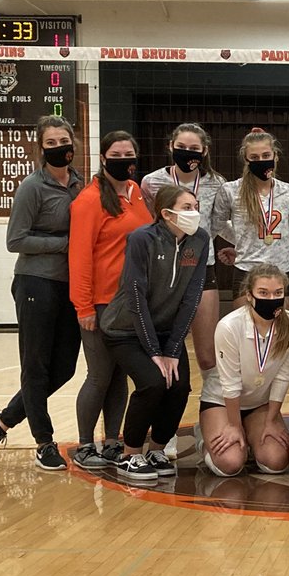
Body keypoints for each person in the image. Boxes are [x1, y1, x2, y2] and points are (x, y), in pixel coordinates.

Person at [0, 115, 84, 472]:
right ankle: (44, 442)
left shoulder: (81, 186)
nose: (59, 148)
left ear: (74, 143)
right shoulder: (32, 187)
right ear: (40, 148)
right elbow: (16, 240)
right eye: (51, 143)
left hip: (71, 286)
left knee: (65, 368)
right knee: (35, 366)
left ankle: (2, 421)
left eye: (63, 141)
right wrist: (65, 245)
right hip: (35, 282)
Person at [99, 184, 209, 481]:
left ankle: (156, 449)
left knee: (180, 385)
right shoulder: (141, 239)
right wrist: (154, 352)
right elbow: (135, 298)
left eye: (196, 205)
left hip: (165, 331)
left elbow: (192, 296)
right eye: (187, 207)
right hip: (125, 329)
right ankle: (129, 454)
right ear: (166, 213)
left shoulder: (200, 239)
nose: (194, 212)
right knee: (152, 383)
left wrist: (172, 350)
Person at [67, 130, 151, 471]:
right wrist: (84, 307)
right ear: (103, 159)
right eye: (116, 154)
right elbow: (80, 257)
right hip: (101, 303)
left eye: (129, 154)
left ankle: (113, 441)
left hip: (132, 302)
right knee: (99, 375)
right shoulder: (88, 200)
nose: (124, 160)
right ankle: (86, 444)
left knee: (119, 376)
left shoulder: (136, 192)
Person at [140, 123, 227, 371]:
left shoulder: (216, 183)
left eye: (194, 148)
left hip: (202, 267)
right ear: (170, 147)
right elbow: (149, 222)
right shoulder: (152, 182)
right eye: (181, 147)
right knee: (163, 347)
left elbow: (216, 223)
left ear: (205, 151)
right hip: (164, 269)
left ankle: (212, 407)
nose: (187, 153)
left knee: (208, 356)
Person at [199, 265, 289, 476]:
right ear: (249, 295)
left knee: (276, 461)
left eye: (277, 293)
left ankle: (253, 433)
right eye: (263, 292)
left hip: (259, 404)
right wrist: (234, 426)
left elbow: (283, 376)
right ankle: (204, 437)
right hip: (221, 402)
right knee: (230, 463)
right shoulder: (229, 326)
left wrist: (271, 420)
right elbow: (230, 383)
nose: (271, 298)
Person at [213, 128, 289, 307]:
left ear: (275, 156)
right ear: (246, 159)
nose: (261, 161)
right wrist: (242, 241)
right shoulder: (231, 190)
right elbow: (218, 224)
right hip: (247, 270)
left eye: (266, 155)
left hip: (282, 269)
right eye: (255, 157)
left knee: (282, 333)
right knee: (246, 331)